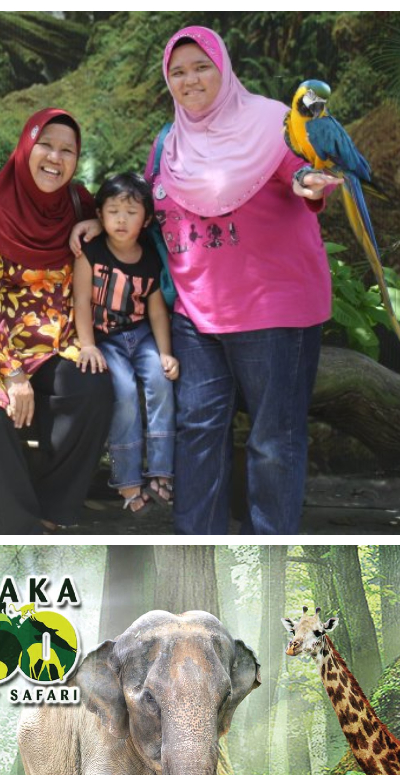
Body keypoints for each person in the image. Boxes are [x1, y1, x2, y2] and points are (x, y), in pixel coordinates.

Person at [110, 26, 331, 534]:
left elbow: (301, 175)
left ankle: (270, 558)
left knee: (274, 440)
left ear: (224, 68)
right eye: (178, 72)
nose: (190, 80)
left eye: (201, 66)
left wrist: (309, 181)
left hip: (272, 310)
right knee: (197, 432)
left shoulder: (273, 122)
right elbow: (146, 207)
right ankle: (196, 552)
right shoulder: (168, 141)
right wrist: (97, 225)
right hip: (194, 311)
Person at [0, 108, 113, 534]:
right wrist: (13, 374)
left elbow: (123, 223)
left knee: (94, 388)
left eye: (68, 151)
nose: (55, 158)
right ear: (26, 146)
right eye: (46, 145)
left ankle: (54, 509)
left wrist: (98, 221)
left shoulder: (78, 201)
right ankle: (21, 525)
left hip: (59, 346)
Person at [73, 172, 179, 513]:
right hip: (106, 341)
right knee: (122, 393)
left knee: (161, 382)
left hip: (142, 335)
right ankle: (128, 480)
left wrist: (165, 353)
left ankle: (162, 470)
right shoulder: (90, 253)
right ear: (99, 215)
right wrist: (87, 344)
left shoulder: (150, 257)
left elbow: (158, 311)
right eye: (114, 210)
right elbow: (80, 302)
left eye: (131, 212)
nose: (121, 219)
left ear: (146, 219)